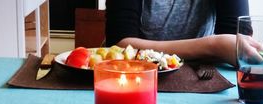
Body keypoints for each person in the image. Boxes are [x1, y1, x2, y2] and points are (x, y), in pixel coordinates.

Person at [105, 0, 250, 66]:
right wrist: (213, 46)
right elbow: (120, 42)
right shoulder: (213, 46)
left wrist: (219, 46)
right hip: (134, 73)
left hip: (203, 77)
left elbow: (237, 39)